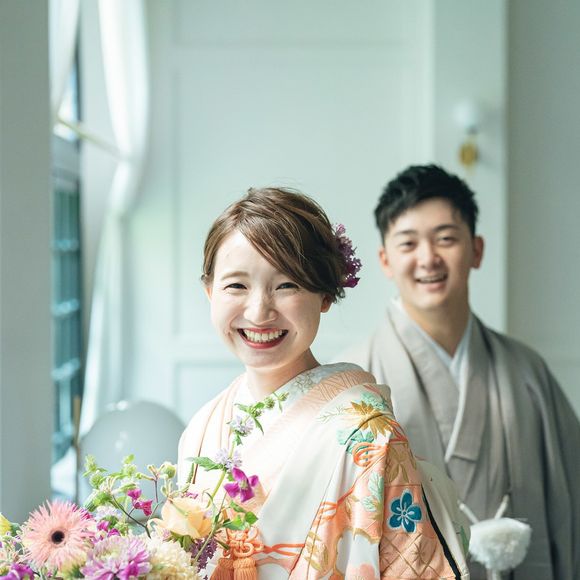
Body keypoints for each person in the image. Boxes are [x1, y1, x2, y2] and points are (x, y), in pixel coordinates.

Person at [178, 187, 469, 579]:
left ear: (326, 295)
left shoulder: (369, 435)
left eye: (287, 285)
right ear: (209, 291)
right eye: (236, 286)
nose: (259, 311)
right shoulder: (202, 428)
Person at [344, 165, 580, 579]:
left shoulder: (527, 371)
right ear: (385, 260)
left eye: (446, 238)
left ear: (477, 250)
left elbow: (570, 501)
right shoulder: (356, 380)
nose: (428, 258)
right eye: (408, 243)